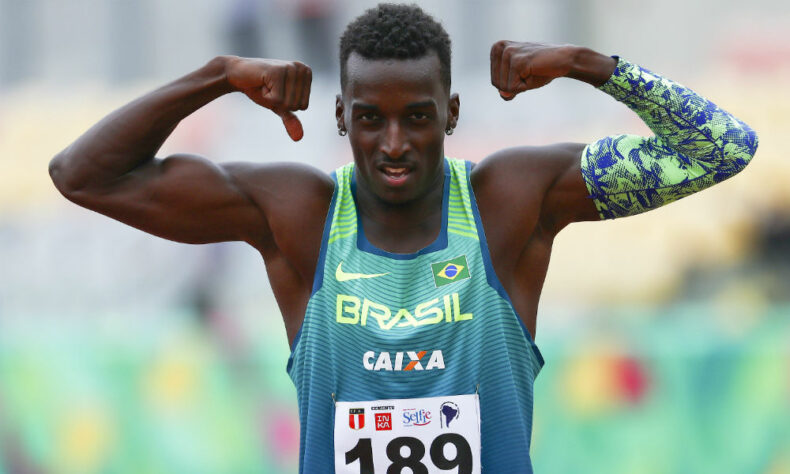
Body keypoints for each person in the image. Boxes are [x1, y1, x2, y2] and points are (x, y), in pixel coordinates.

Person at [48, 3, 758, 473]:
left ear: (450, 113)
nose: (394, 144)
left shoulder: (509, 202)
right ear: (341, 117)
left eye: (417, 117)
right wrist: (215, 78)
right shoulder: (297, 214)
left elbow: (722, 148)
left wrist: (588, 64)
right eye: (370, 119)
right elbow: (82, 175)